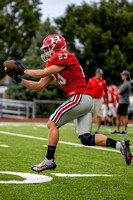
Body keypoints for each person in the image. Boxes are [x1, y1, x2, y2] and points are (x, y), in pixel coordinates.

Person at [6, 34, 132, 172]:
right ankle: (120, 145)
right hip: (85, 100)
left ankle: (49, 160)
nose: (46, 52)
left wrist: (24, 71)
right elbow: (38, 86)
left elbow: (43, 73)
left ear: (57, 46)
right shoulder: (55, 64)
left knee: (52, 123)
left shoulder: (64, 55)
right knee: (85, 138)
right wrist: (18, 79)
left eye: (48, 49)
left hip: (79, 97)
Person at [87, 69, 108, 133]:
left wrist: (106, 100)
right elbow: (87, 90)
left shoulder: (103, 81)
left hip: (99, 99)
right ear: (96, 73)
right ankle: (88, 128)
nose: (101, 75)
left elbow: (106, 91)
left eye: (101, 74)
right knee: (89, 114)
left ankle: (97, 129)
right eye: (99, 74)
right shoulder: (91, 80)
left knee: (98, 114)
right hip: (91, 99)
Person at [112, 70, 131, 135]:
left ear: (126, 76)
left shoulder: (126, 83)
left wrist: (117, 90)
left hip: (123, 102)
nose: (121, 76)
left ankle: (123, 131)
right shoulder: (126, 83)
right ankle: (118, 130)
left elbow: (119, 91)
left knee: (123, 116)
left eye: (123, 75)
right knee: (119, 116)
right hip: (123, 101)